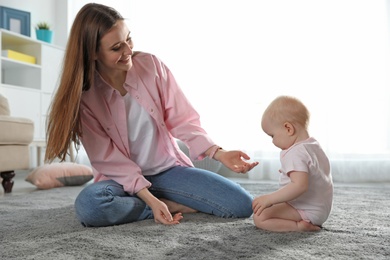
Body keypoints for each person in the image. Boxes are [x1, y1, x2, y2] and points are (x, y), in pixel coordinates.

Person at [44, 3, 259, 227]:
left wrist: (219, 153)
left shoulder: (151, 65)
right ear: (93, 53)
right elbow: (108, 159)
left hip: (168, 171)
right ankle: (167, 204)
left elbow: (183, 120)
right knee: (90, 206)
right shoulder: (85, 98)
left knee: (241, 204)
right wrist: (150, 201)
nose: (128, 51)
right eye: (117, 47)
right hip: (120, 182)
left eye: (129, 39)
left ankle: (159, 203)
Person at [252, 96, 333, 232]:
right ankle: (306, 221)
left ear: (288, 128)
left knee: (260, 217)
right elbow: (314, 173)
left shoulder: (295, 152)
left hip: (306, 210)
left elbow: (300, 186)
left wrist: (270, 199)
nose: (273, 141)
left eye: (272, 136)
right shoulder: (313, 145)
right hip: (321, 209)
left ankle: (299, 226)